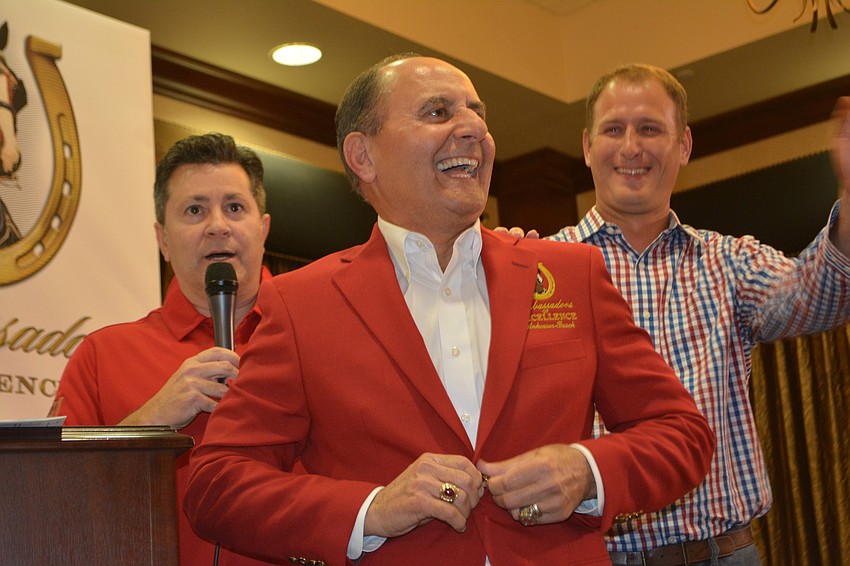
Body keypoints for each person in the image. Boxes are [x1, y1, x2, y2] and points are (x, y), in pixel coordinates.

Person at [183, 54, 714, 566]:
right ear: (362, 156)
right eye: (438, 113)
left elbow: (681, 432)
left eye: (478, 114)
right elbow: (217, 484)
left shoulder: (572, 275)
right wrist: (371, 510)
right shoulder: (303, 304)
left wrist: (586, 469)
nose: (474, 131)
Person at [534, 64, 850, 565]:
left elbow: (818, 298)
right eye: (613, 129)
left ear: (683, 146)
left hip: (723, 554)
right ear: (587, 147)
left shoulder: (729, 262)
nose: (631, 147)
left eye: (650, 128)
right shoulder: (537, 272)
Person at [54, 133, 274, 565]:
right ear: (162, 239)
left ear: (263, 228)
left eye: (234, 207)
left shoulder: (315, 337)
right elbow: (52, 500)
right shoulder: (102, 356)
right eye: (194, 210)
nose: (217, 225)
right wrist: (148, 424)